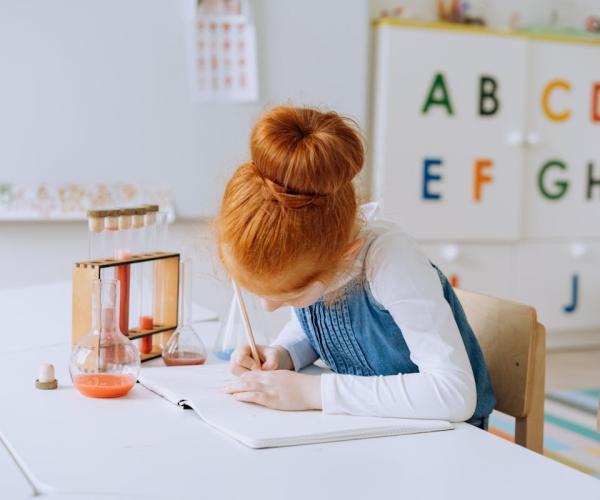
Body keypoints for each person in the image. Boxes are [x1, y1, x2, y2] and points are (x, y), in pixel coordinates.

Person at [217, 106, 495, 428]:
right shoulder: (317, 249)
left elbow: (454, 394)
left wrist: (313, 392)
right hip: (374, 429)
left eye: (291, 296)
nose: (268, 307)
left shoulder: (392, 262)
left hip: (450, 437)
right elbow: (318, 325)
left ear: (345, 256)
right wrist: (285, 354)